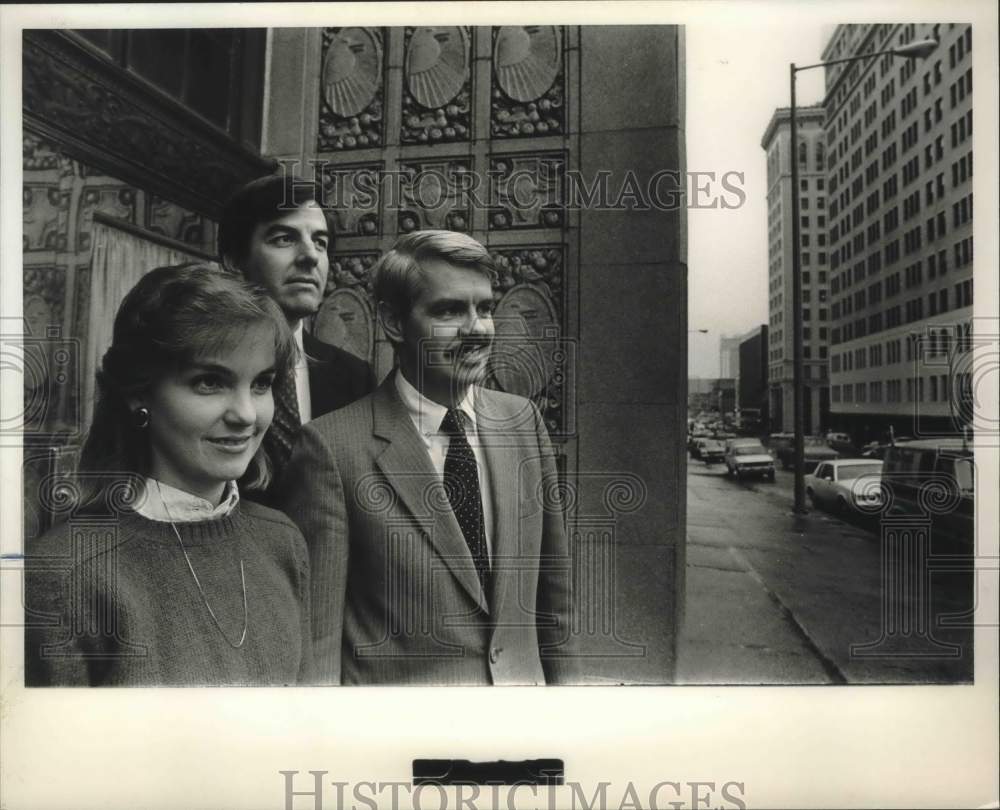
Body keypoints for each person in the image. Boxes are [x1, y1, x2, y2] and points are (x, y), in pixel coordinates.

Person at [277, 230, 575, 685]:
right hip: (401, 741)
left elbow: (556, 601)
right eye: (450, 310)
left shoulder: (522, 421)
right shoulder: (330, 449)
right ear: (394, 322)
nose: (478, 330)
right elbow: (318, 643)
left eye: (485, 308)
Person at [24, 264, 313, 686]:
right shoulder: (63, 575)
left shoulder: (282, 543)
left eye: (261, 383)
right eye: (210, 382)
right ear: (139, 391)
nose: (246, 415)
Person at [218, 174, 374, 484]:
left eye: (320, 242)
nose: (310, 257)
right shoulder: (201, 366)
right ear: (235, 261)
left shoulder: (355, 378)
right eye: (284, 239)